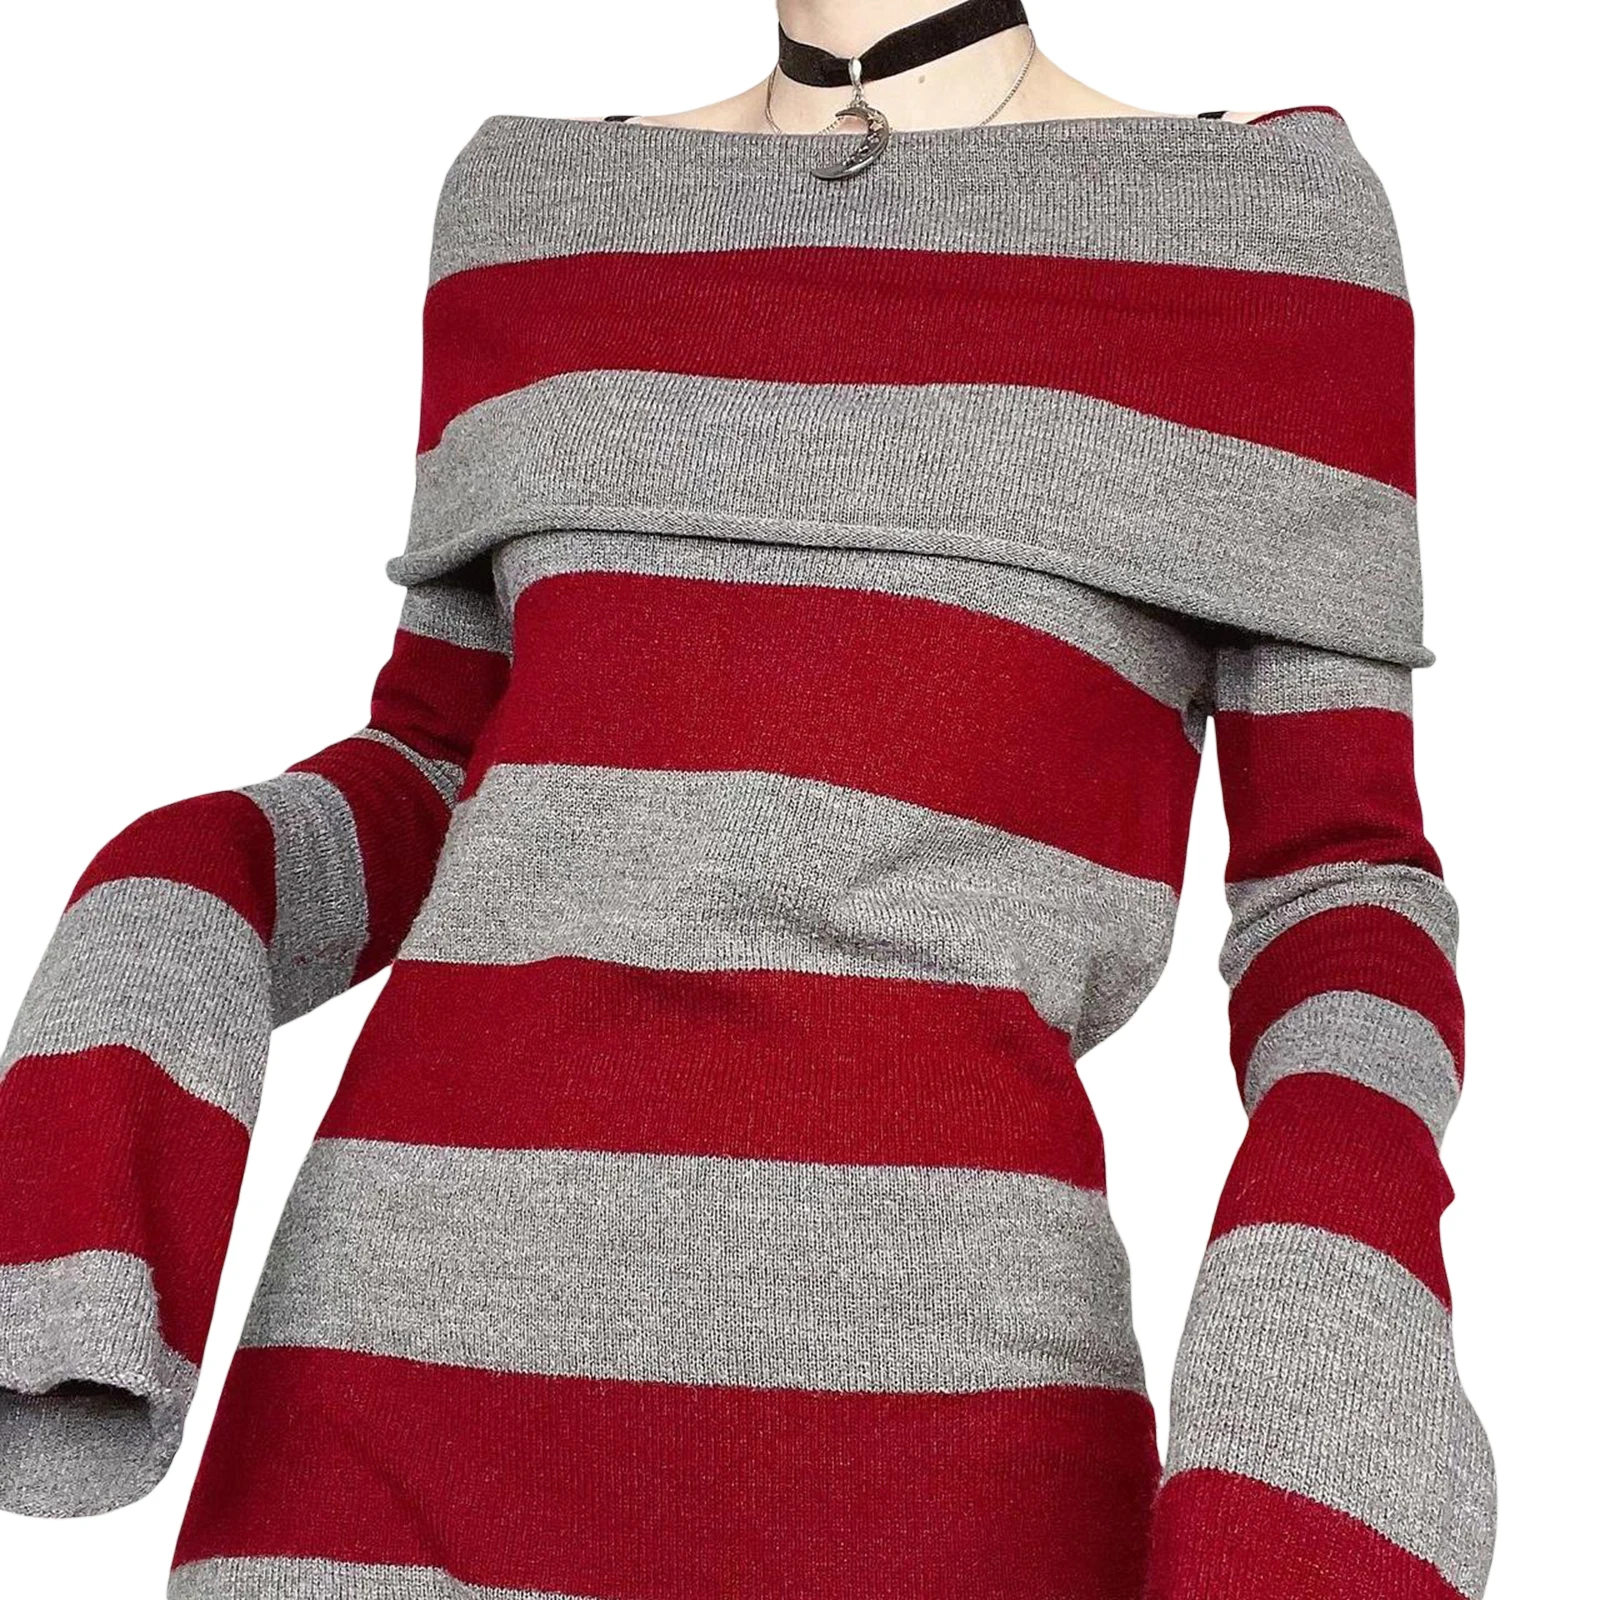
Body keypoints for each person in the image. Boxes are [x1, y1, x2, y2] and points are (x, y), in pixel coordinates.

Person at [0, 2, 1496, 1597]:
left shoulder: (1258, 232)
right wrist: (176, 888)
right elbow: (437, 764)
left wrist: (1320, 1379)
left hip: (931, 1439)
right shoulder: (538, 211)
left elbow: (1339, 886)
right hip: (382, 1388)